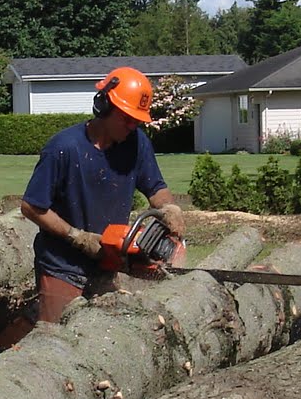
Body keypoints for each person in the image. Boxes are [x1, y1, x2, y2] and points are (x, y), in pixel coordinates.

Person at [14, 66, 183, 331]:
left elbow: (155, 188)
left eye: (137, 121)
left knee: (101, 338)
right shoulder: (63, 148)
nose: (132, 126)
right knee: (55, 338)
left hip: (107, 264)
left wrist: (169, 208)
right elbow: (31, 206)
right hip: (62, 265)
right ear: (104, 106)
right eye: (126, 118)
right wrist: (77, 237)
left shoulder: (137, 143)